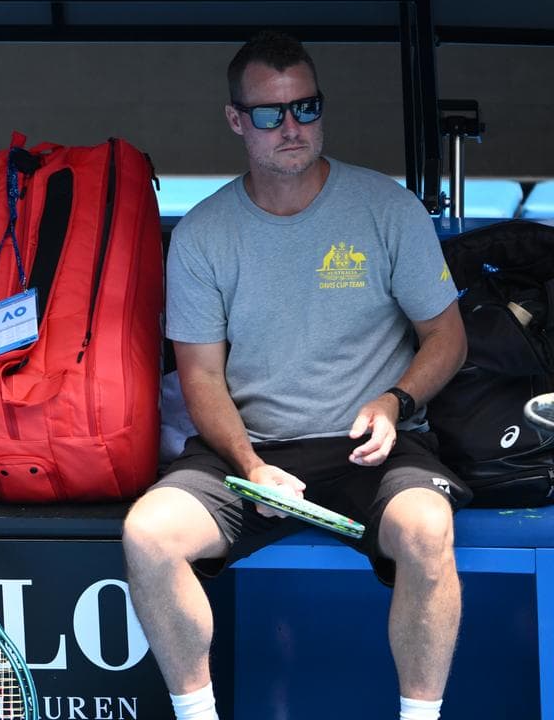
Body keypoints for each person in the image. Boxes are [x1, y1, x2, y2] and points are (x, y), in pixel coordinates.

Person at [121, 31, 470, 720]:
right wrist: (251, 465)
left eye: (306, 108)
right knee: (148, 535)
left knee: (428, 530)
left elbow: (448, 338)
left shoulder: (386, 207)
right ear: (235, 120)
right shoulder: (203, 233)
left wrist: (395, 401)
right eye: (270, 113)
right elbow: (201, 378)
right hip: (251, 453)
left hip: (373, 448)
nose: (292, 127)